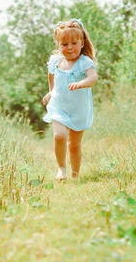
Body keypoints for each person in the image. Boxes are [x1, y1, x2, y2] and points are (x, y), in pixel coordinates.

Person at [42, 18, 98, 181]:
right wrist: (51, 92)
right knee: (59, 136)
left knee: (74, 145)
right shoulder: (55, 62)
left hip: (78, 109)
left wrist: (82, 83)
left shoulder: (84, 62)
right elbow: (51, 76)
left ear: (81, 43)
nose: (70, 48)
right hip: (58, 106)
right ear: (58, 45)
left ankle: (75, 175)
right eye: (64, 44)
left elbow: (93, 78)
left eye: (74, 43)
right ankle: (61, 169)